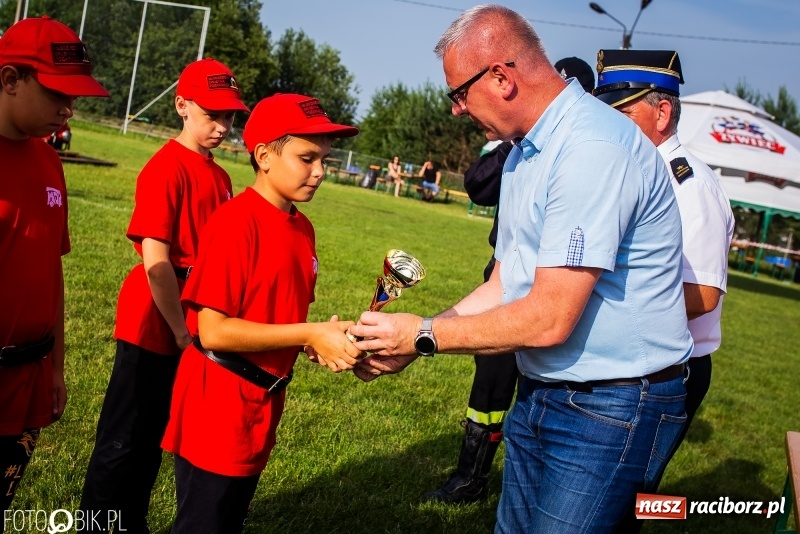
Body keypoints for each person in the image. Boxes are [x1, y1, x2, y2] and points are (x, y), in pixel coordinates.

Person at [350, 5, 693, 532]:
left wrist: (420, 336)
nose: (457, 111)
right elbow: (506, 282)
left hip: (614, 402)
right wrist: (412, 343)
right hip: (546, 389)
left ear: (502, 78)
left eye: (458, 94)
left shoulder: (591, 147)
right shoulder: (523, 153)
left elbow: (550, 317)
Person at [161, 93, 363, 534]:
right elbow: (213, 331)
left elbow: (278, 318)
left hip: (260, 403)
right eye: (307, 158)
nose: (320, 172)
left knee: (228, 519)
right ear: (265, 156)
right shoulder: (236, 222)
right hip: (218, 404)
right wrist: (308, 333)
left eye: (324, 160)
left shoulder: (302, 227)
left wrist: (318, 337)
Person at [80, 58, 248, 533]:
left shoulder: (219, 176)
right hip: (154, 321)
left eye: (230, 116)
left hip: (191, 319)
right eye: (211, 113)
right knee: (124, 439)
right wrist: (179, 331)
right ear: (181, 106)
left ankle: (129, 523)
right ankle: (97, 526)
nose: (221, 126)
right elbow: (156, 264)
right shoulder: (165, 167)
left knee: (157, 435)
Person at [424, 55, 596, 505]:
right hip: (505, 277)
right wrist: (514, 139)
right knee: (490, 386)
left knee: (545, 393)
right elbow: (479, 185)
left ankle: (534, 484)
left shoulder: (585, 150)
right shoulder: (519, 146)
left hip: (560, 288)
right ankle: (472, 475)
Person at [593, 49, 735, 529]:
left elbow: (703, 295)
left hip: (671, 369)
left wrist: (607, 315)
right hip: (634, 358)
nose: (610, 122)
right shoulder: (634, 170)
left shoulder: (690, 188)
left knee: (617, 499)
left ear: (662, 111)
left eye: (623, 111)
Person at [0, 16, 109, 514]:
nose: (68, 112)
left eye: (75, 99)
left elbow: (52, 271)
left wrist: (57, 365)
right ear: (9, 80)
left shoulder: (48, 162)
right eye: (57, 95)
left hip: (28, 377)